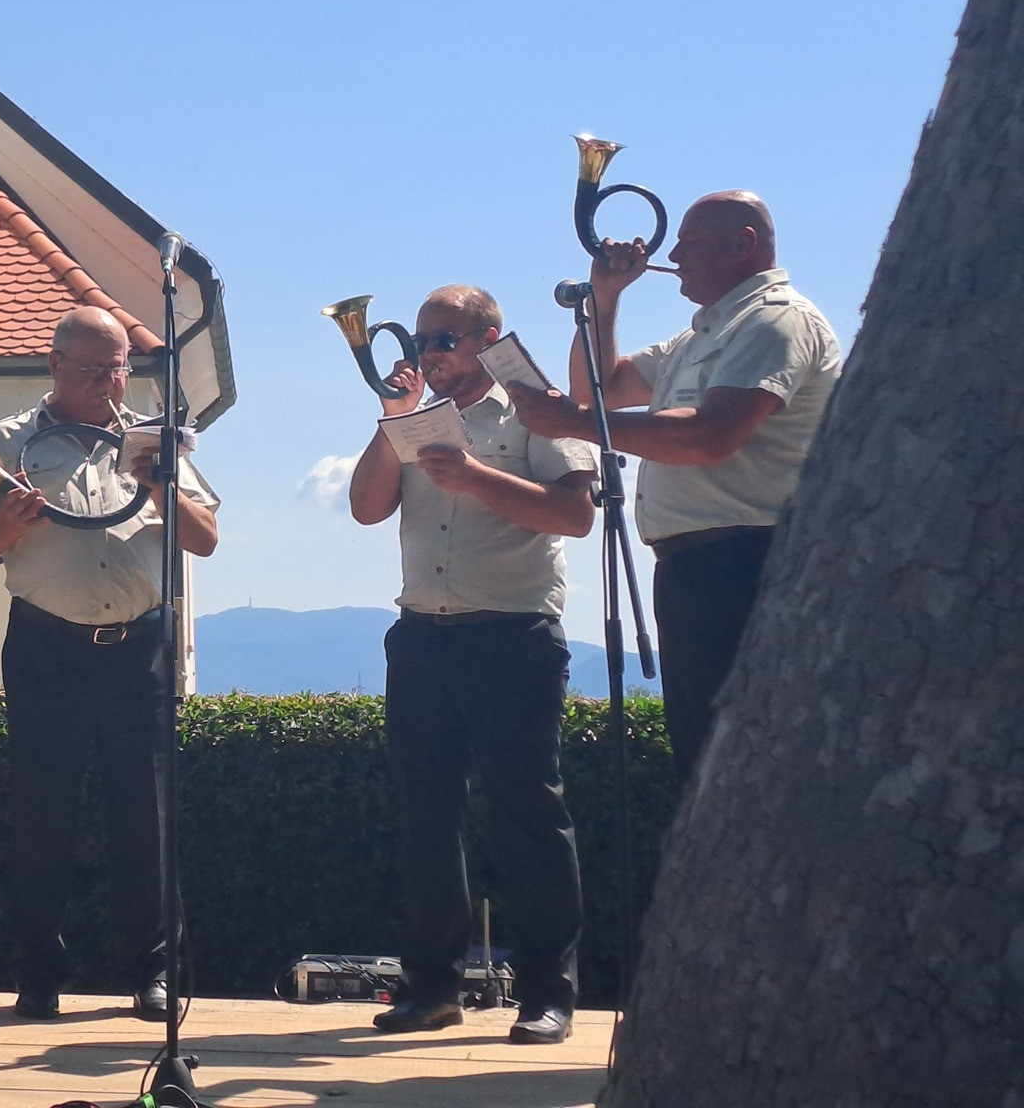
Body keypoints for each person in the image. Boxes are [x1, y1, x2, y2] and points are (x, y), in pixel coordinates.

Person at [0, 307, 220, 1023]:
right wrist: (7, 522)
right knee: (42, 817)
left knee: (146, 817)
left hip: (140, 648)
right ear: (56, 366)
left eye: (121, 366)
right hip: (47, 648)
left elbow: (206, 538)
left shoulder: (155, 440)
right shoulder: (5, 443)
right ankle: (39, 975)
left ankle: (155, 972)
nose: (112, 381)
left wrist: (160, 478)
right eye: (96, 369)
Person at [511, 192, 841, 782]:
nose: (674, 254)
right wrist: (605, 300)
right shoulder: (699, 338)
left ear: (744, 243)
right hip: (700, 567)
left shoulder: (775, 319)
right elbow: (601, 391)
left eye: (689, 241)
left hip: (750, 562)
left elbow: (712, 436)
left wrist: (575, 425)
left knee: (739, 759)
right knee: (703, 755)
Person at [348, 285, 595, 1046]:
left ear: (490, 338)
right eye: (422, 341)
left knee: (528, 816)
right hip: (424, 636)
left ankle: (548, 993)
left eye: (444, 339)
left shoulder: (536, 408)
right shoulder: (416, 418)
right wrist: (393, 421)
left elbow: (576, 515)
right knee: (426, 820)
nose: (428, 354)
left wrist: (476, 476)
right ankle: (431, 989)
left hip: (513, 635)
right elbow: (365, 507)